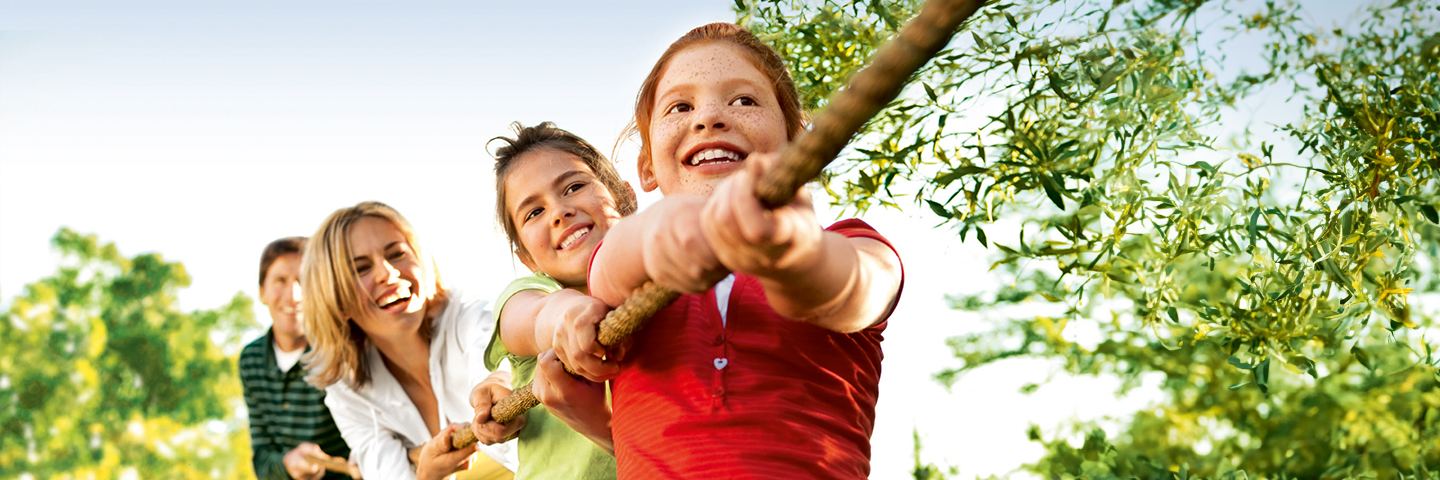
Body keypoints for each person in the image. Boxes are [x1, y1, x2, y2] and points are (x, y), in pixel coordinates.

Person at [547, 22, 905, 479]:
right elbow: (614, 263)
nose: (709, 118)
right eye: (680, 106)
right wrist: (665, 227)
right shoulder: (630, 266)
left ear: (796, 141)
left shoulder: (852, 243)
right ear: (647, 167)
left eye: (744, 100)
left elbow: (862, 286)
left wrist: (798, 254)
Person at [466, 122, 636, 479]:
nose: (559, 212)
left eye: (574, 187)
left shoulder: (661, 286)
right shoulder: (530, 294)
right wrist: (570, 315)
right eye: (534, 213)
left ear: (626, 199)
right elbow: (535, 317)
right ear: (527, 258)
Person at [300, 201, 517, 480]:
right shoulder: (347, 391)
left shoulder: (469, 315)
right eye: (361, 269)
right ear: (338, 302)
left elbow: (497, 365)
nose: (387, 273)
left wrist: (499, 383)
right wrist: (426, 475)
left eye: (397, 253)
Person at [241, 236, 355, 480]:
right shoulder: (251, 360)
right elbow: (262, 457)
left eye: (303, 282)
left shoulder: (340, 352)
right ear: (262, 291)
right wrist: (287, 464)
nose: (293, 295)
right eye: (280, 281)